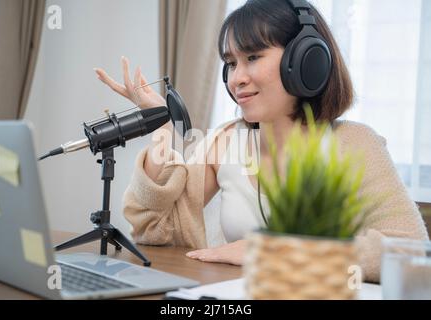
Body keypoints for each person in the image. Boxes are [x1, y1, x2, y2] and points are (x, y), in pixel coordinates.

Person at [94, 0, 428, 283]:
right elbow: (153, 232)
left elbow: (409, 254)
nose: (237, 78)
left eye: (253, 57)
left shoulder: (356, 144)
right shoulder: (225, 142)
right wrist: (162, 126)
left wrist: (274, 253)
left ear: (306, 61)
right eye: (230, 63)